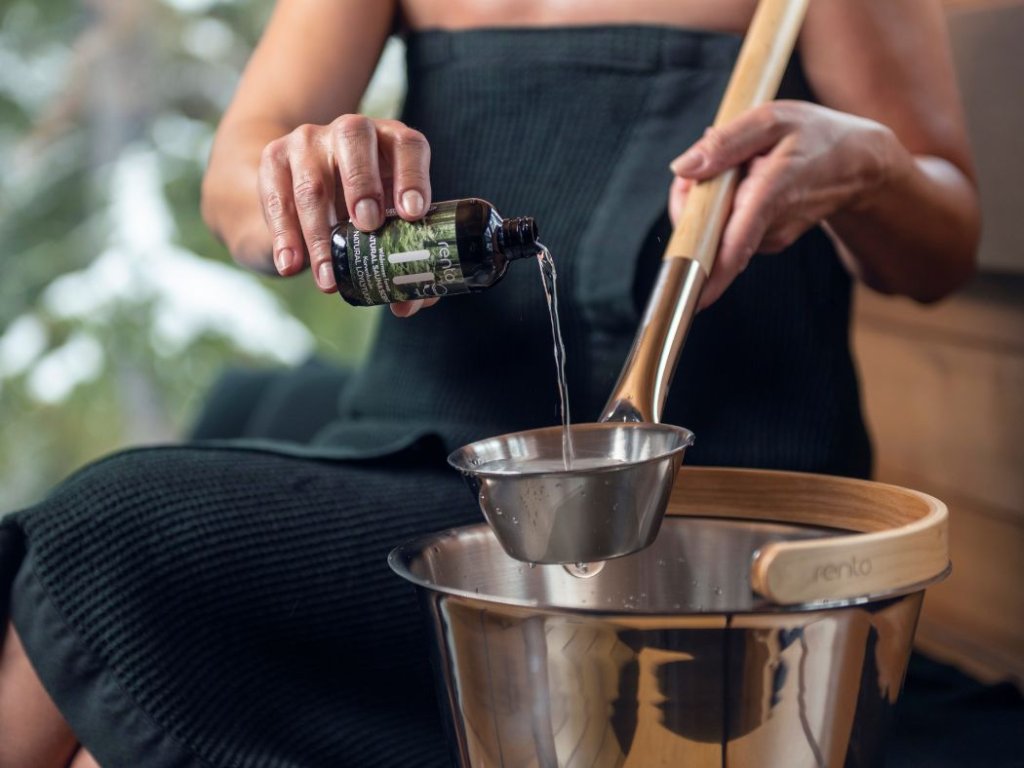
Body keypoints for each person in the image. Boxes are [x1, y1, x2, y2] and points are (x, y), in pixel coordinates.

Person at [0, 1, 987, 766]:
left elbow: (941, 246)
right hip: (429, 463)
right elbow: (235, 184)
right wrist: (305, 185)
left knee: (109, 535)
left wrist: (869, 168)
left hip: (705, 507)